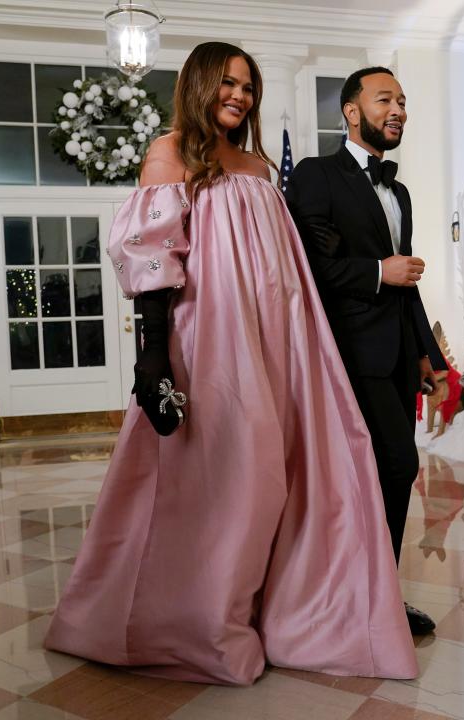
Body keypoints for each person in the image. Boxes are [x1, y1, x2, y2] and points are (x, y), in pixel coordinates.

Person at [44, 43, 418, 686]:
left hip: (276, 341)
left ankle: (276, 608)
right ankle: (199, 616)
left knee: (283, 474)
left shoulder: (258, 167)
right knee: (226, 479)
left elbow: (285, 266)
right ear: (197, 85)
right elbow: (154, 257)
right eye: (227, 83)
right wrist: (155, 352)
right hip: (209, 341)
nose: (239, 95)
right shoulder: (170, 154)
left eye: (247, 86)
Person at [285, 67, 447, 636]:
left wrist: (428, 354)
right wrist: (380, 270)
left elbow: (409, 280)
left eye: (402, 100)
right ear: (351, 112)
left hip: (399, 353)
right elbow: (310, 270)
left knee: (389, 471)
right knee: (393, 466)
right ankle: (360, 598)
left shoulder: (397, 189)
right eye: (385, 100)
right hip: (348, 352)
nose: (397, 109)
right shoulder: (316, 175)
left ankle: (374, 596)